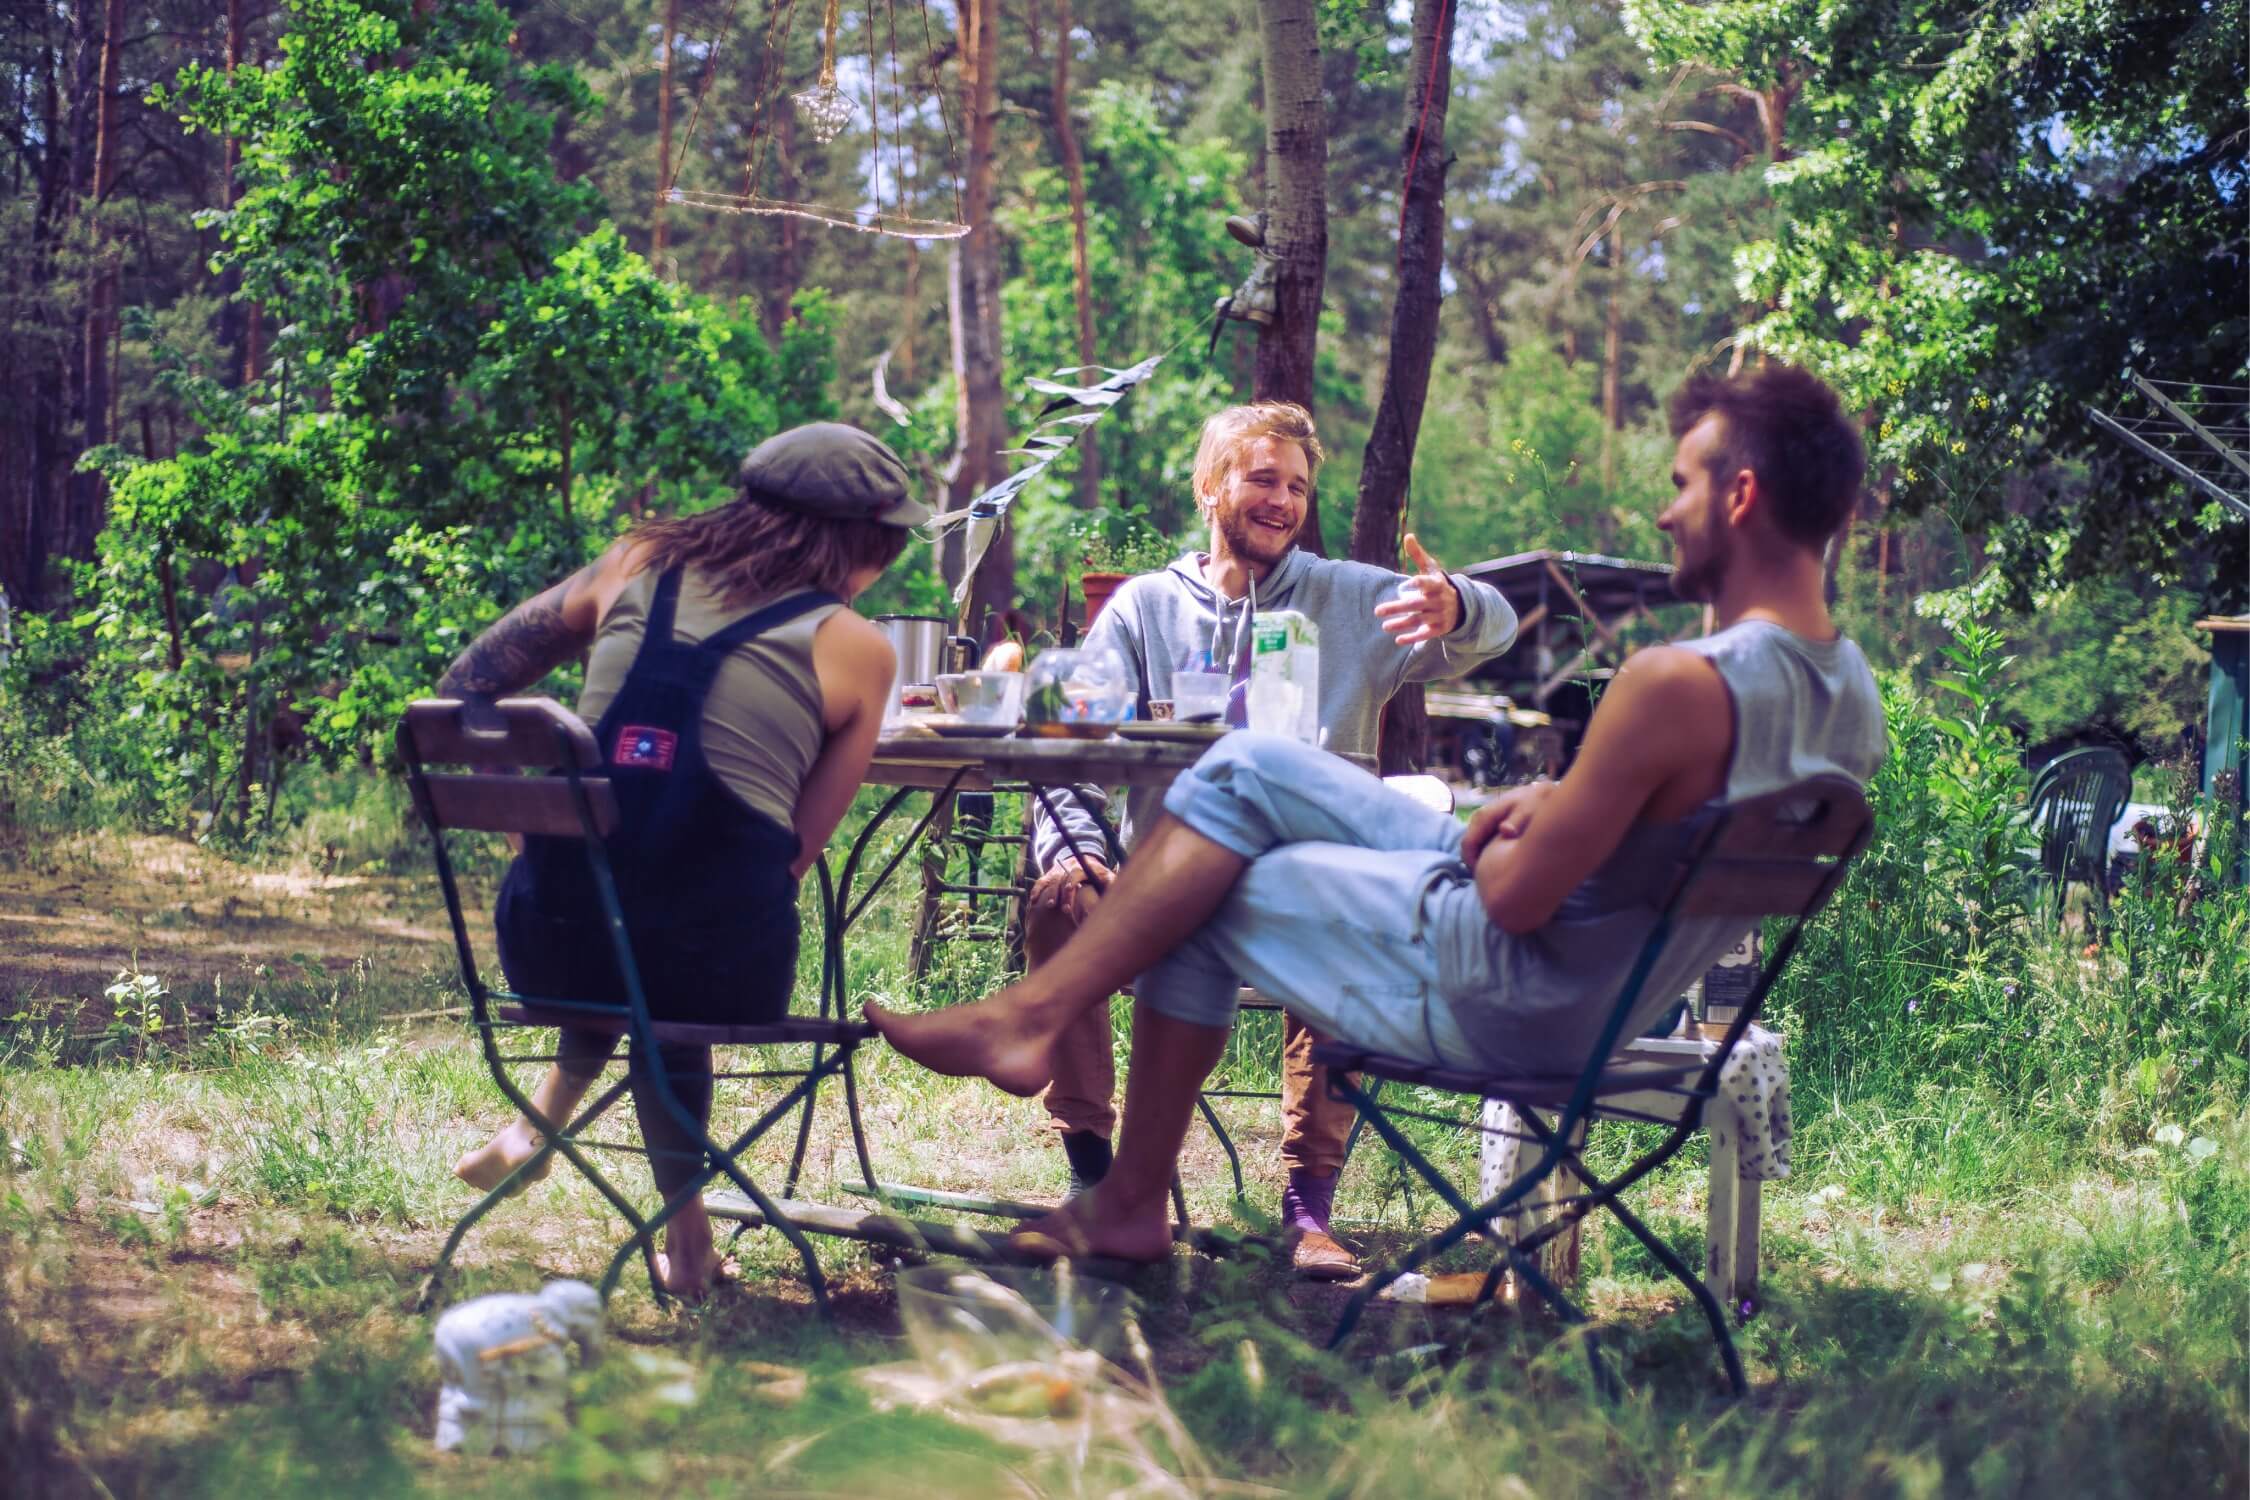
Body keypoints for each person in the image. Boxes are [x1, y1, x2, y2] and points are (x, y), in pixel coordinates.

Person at [869, 362, 1886, 1266]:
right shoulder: (1849, 700)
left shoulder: (1674, 683)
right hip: (1616, 993)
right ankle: (1093, 1129)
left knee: (1219, 852)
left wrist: (1523, 822)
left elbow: (1518, 897)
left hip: (1514, 985)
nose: (1667, 515)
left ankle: (1076, 1102)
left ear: (1741, 496)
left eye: (1681, 486)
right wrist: (1558, 803)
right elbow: (1633, 842)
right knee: (1245, 779)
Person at [1024, 401, 1518, 1277]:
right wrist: (1074, 849)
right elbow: (1065, 742)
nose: (1282, 501)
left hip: (1300, 895)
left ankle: (1308, 1208)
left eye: (1296, 486)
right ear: (1211, 488)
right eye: (1262, 479)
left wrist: (1460, 604)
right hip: (1160, 896)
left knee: (1349, 919)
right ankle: (1100, 1179)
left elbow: (1499, 629)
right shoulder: (1143, 609)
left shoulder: (1348, 598)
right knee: (1062, 898)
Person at [444, 423, 919, 1298]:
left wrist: (535, 831)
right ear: (860, 543)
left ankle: (561, 1135)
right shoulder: (860, 648)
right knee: (692, 916)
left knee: (634, 901)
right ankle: (686, 1240)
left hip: (547, 940)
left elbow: (464, 685)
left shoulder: (631, 564)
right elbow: (791, 857)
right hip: (712, 968)